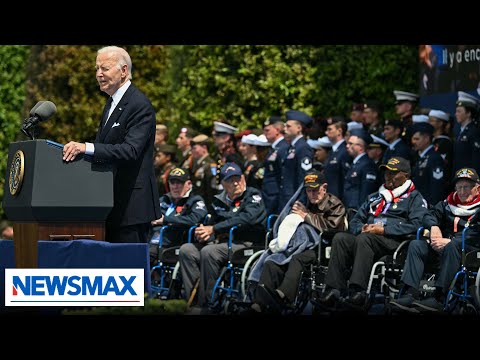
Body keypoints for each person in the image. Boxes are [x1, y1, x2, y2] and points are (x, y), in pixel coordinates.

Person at [63, 45, 161, 243]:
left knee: (130, 271)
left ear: (124, 71)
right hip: (110, 204)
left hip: (132, 208)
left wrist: (87, 147)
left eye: (105, 68)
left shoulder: (139, 104)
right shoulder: (111, 103)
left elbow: (130, 150)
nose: (99, 74)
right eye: (97, 69)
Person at [318, 156, 428, 309]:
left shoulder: (414, 197)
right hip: (368, 238)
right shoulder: (375, 197)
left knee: (366, 239)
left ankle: (358, 291)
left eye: (393, 173)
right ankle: (334, 289)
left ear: (406, 176)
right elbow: (355, 220)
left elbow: (417, 225)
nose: (388, 176)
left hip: (395, 242)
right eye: (386, 173)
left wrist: (383, 230)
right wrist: (362, 227)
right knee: (341, 238)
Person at [246, 170, 346, 313]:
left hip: (321, 247)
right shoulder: (304, 201)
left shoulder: (335, 204)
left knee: (297, 259)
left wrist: (306, 216)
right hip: (297, 245)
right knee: (272, 261)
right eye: (308, 191)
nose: (311, 194)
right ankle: (259, 304)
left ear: (324, 188)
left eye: (315, 190)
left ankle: (283, 296)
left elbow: (331, 227)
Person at [390, 167, 480, 313]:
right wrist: (434, 227)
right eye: (459, 187)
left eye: (467, 187)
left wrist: (451, 241)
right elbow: (428, 215)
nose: (462, 192)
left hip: (469, 248)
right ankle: (410, 292)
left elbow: (475, 233)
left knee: (453, 246)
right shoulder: (447, 204)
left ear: (477, 188)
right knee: (416, 244)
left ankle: (439, 297)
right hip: (443, 246)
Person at [179, 162, 267, 309]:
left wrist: (214, 228)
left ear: (243, 178)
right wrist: (204, 234)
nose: (235, 183)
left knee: (209, 252)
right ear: (223, 184)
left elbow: (246, 218)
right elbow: (212, 225)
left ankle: (207, 303)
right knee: (187, 250)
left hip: (247, 243)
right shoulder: (219, 201)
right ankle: (194, 300)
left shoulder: (253, 195)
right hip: (223, 243)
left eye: (237, 178)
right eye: (230, 180)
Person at [149, 168, 208, 267]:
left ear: (188, 184)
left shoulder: (195, 201)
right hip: (153, 240)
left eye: (179, 183)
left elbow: (193, 220)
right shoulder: (163, 200)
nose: (175, 186)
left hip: (175, 242)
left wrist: (165, 220)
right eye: (172, 182)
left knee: (144, 255)